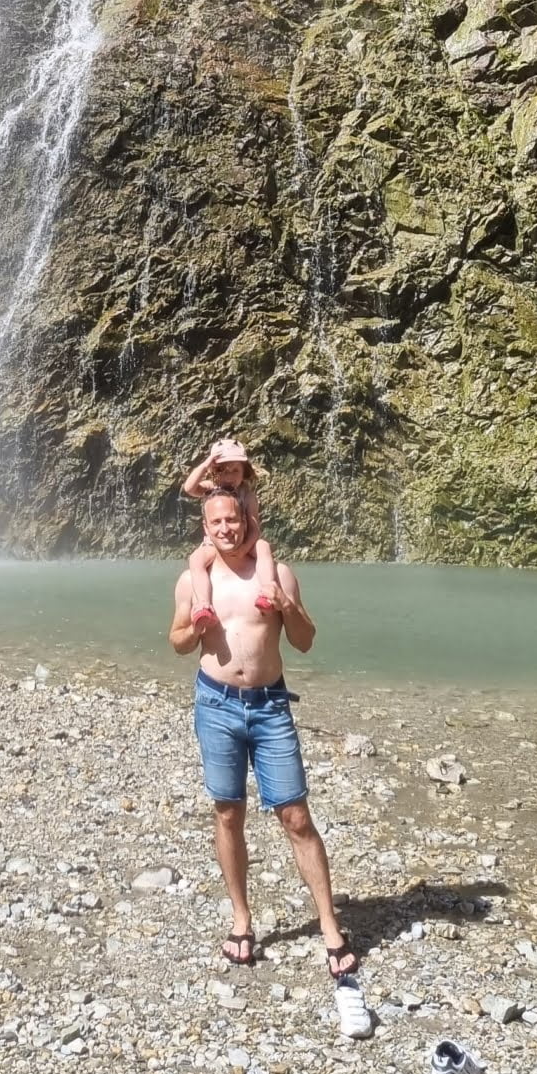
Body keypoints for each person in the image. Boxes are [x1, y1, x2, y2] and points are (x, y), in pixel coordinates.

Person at [170, 487, 369, 1034]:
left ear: (246, 519)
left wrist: (287, 606)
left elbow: (305, 640)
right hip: (215, 704)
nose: (226, 529)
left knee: (296, 816)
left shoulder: (276, 572)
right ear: (205, 526)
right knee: (227, 811)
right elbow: (177, 641)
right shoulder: (193, 581)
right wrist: (196, 629)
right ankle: (242, 919)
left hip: (270, 705)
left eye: (233, 519)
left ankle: (329, 925)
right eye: (216, 522)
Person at [180, 437, 278, 634]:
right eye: (223, 470)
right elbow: (189, 488)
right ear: (214, 472)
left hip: (243, 541)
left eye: (235, 470)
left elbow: (255, 528)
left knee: (263, 546)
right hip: (213, 544)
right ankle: (204, 605)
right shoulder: (210, 487)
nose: (229, 476)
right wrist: (206, 463)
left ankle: (268, 592)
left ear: (244, 472)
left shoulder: (247, 495)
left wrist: (243, 549)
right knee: (196, 559)